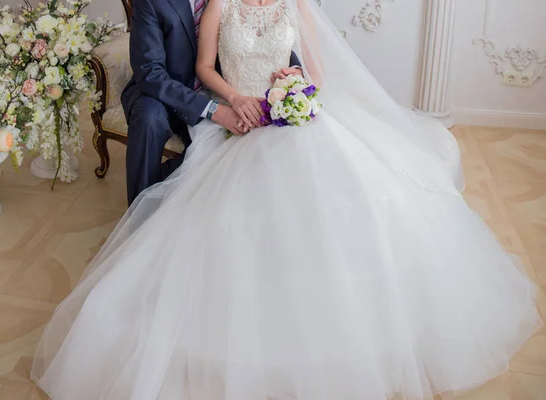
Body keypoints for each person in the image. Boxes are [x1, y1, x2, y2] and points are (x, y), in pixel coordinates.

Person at [32, 0, 542, 398]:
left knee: (337, 190)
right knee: (229, 203)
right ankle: (142, 227)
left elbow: (315, 71)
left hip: (288, 114)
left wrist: (295, 90)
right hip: (234, 112)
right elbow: (200, 68)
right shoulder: (215, 7)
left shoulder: (294, 6)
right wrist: (233, 100)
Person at [121, 0, 303, 204]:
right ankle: (139, 213)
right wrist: (214, 110)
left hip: (216, 89)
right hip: (163, 91)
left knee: (250, 153)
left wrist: (295, 69)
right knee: (149, 117)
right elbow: (150, 73)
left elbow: (261, 31)